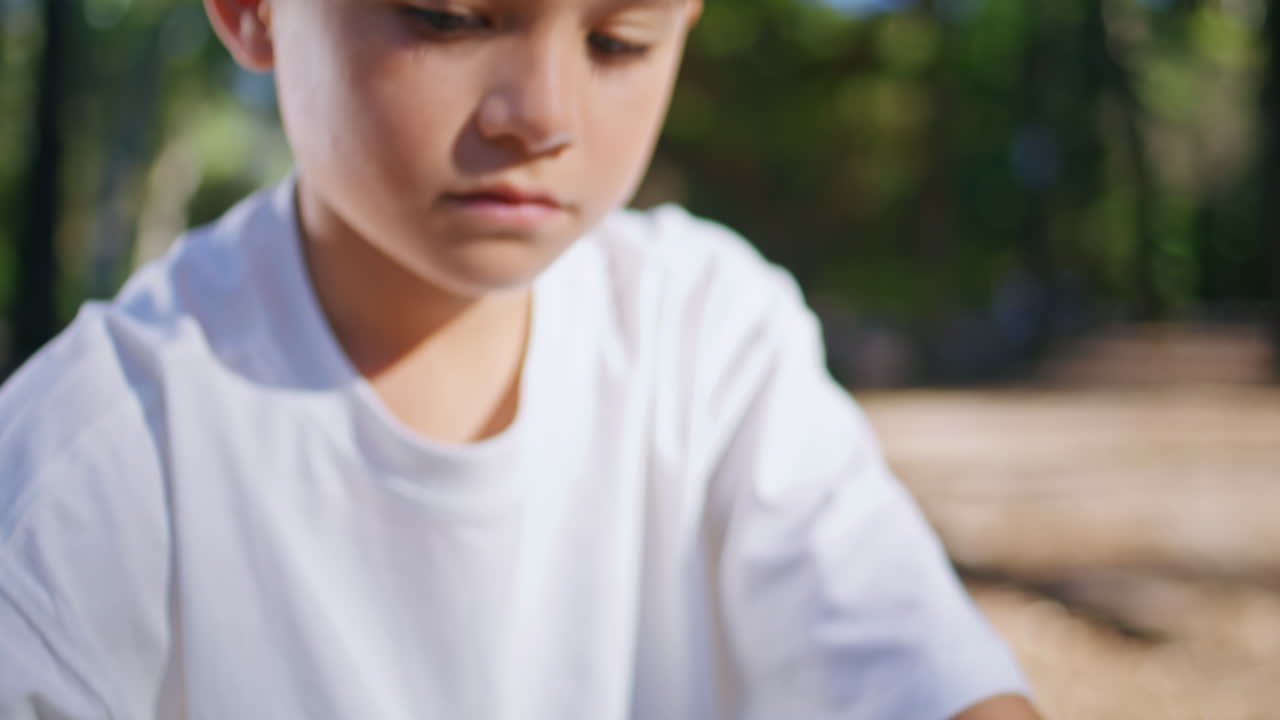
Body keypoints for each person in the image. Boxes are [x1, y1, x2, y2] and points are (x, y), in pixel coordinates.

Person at [0, 0, 1039, 718]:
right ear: (251, 10)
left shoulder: (708, 342)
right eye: (449, 17)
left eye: (618, 41)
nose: (542, 115)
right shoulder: (83, 473)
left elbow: (920, 674)